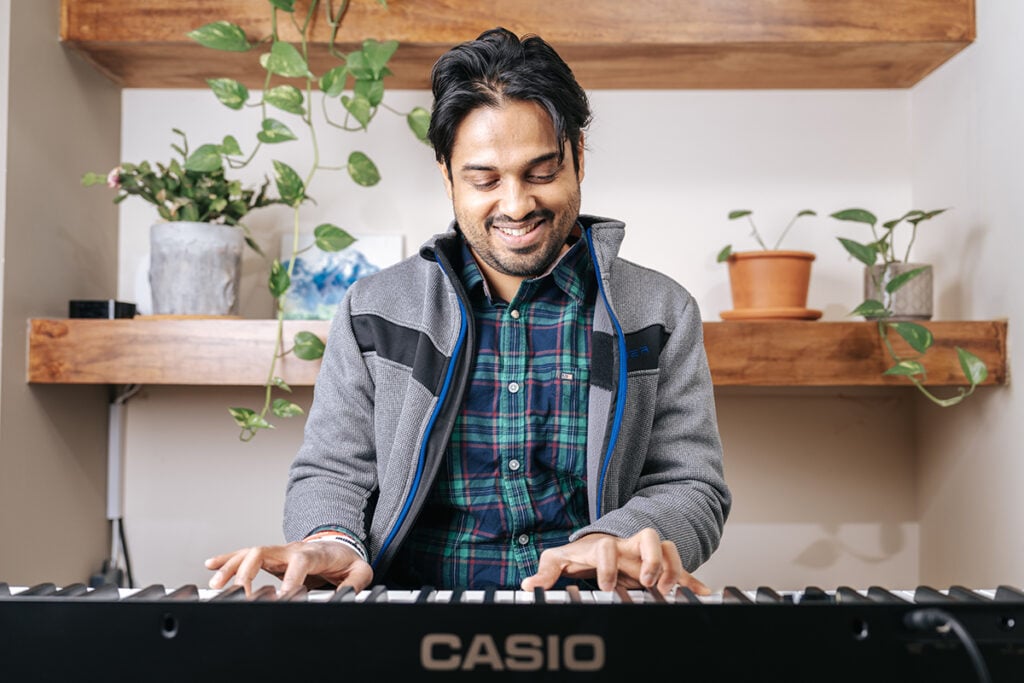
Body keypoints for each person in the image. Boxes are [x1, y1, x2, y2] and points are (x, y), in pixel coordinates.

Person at [206, 26, 731, 597]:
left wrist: (615, 537)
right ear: (446, 173)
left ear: (578, 156)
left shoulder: (659, 311)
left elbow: (690, 484)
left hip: (592, 613)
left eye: (541, 173)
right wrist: (332, 537)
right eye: (484, 179)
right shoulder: (372, 310)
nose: (516, 204)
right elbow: (333, 469)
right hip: (412, 623)